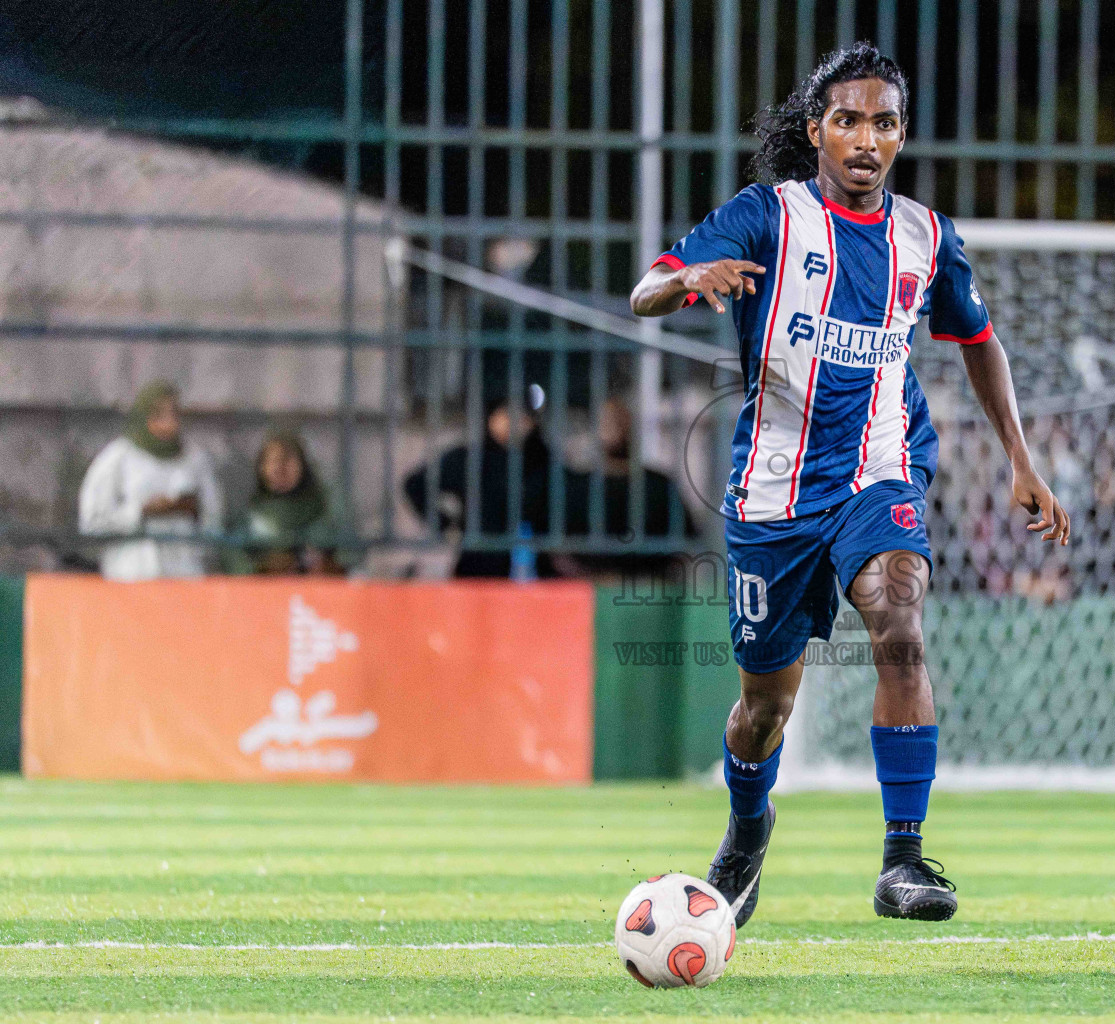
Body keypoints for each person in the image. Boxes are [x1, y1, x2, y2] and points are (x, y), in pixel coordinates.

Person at [629, 43, 1068, 927]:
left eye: (885, 122)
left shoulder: (926, 237)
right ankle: (749, 827)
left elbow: (979, 343)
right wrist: (686, 279)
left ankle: (903, 858)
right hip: (771, 492)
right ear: (815, 130)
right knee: (764, 708)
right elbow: (643, 291)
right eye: (849, 120)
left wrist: (1021, 459)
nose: (867, 138)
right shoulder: (767, 216)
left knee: (899, 614)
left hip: (881, 470)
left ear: (901, 136)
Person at [78, 380, 224, 582]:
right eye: (159, 416)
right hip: (131, 575)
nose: (168, 423)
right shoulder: (118, 457)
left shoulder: (196, 460)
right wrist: (142, 511)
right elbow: (92, 523)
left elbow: (215, 524)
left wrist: (190, 510)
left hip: (184, 576)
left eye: (174, 415)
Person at [403, 386, 554, 579]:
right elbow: (415, 485)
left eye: (523, 418)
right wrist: (446, 526)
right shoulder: (470, 459)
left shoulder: (540, 460)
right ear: (492, 416)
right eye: (508, 415)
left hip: (535, 571)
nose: (515, 424)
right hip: (479, 568)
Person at [565, 394, 698, 582]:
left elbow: (685, 541)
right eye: (606, 420)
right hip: (591, 593)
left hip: (649, 594)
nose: (613, 427)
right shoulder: (577, 487)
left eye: (619, 419)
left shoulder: (658, 485)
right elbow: (560, 549)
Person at [228, 429, 347, 576]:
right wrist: (263, 569)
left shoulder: (324, 509)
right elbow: (232, 558)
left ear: (303, 466)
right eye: (272, 460)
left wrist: (327, 565)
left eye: (287, 460)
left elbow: (349, 555)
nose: (279, 469)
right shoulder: (251, 516)